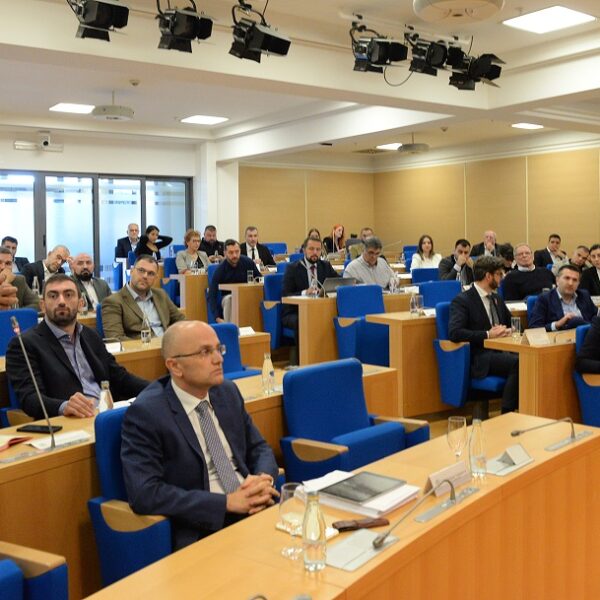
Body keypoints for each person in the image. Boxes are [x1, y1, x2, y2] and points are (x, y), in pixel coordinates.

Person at [120, 320, 279, 551]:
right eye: (205, 352)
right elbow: (145, 493)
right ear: (175, 366)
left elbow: (259, 447)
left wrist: (263, 480)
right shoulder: (147, 413)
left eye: (219, 349)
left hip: (254, 505)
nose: (219, 359)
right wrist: (226, 503)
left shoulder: (227, 391)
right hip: (205, 524)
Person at [6, 274, 148, 419]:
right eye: (53, 296)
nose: (61, 301)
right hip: (68, 421)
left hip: (103, 415)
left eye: (68, 295)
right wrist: (64, 406)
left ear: (81, 304)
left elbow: (120, 377)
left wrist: (156, 388)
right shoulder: (23, 344)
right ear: (42, 305)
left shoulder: (91, 335)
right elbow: (30, 399)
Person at [448, 256, 519, 413]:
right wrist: (487, 334)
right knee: (518, 362)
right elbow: (455, 333)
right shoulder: (463, 300)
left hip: (501, 351)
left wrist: (509, 330)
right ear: (488, 276)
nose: (502, 277)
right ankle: (507, 413)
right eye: (499, 274)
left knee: (530, 360)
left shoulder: (496, 298)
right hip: (480, 357)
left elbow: (511, 323)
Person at [281, 236, 338, 362]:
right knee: (302, 321)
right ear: (304, 250)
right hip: (294, 312)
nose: (315, 252)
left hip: (319, 310)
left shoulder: (325, 266)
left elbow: (338, 283)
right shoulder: (293, 268)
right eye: (311, 249)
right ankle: (302, 361)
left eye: (318, 249)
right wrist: (304, 292)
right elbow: (285, 294)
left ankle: (327, 358)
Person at [101, 255, 184, 340]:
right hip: (140, 347)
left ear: (155, 278)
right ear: (131, 271)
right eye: (141, 270)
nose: (145, 276)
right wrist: (150, 345)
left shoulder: (160, 294)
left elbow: (181, 320)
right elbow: (115, 338)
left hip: (168, 344)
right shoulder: (113, 301)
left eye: (151, 273)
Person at [529, 264, 597, 331]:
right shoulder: (544, 299)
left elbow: (595, 317)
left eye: (575, 280)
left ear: (578, 283)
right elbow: (534, 327)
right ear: (557, 280)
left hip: (585, 336)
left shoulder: (584, 295)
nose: (570, 283)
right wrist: (557, 324)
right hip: (558, 336)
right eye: (567, 278)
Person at [208, 239, 260, 323]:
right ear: (225, 253)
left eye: (237, 252)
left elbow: (260, 279)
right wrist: (217, 317)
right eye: (231, 252)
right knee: (231, 299)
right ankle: (230, 328)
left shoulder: (248, 262)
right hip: (228, 297)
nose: (235, 255)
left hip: (246, 295)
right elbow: (212, 294)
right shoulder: (220, 269)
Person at [0, 246, 39, 310]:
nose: (3, 267)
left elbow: (37, 303)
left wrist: (16, 312)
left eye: (8, 263)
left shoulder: (19, 281)